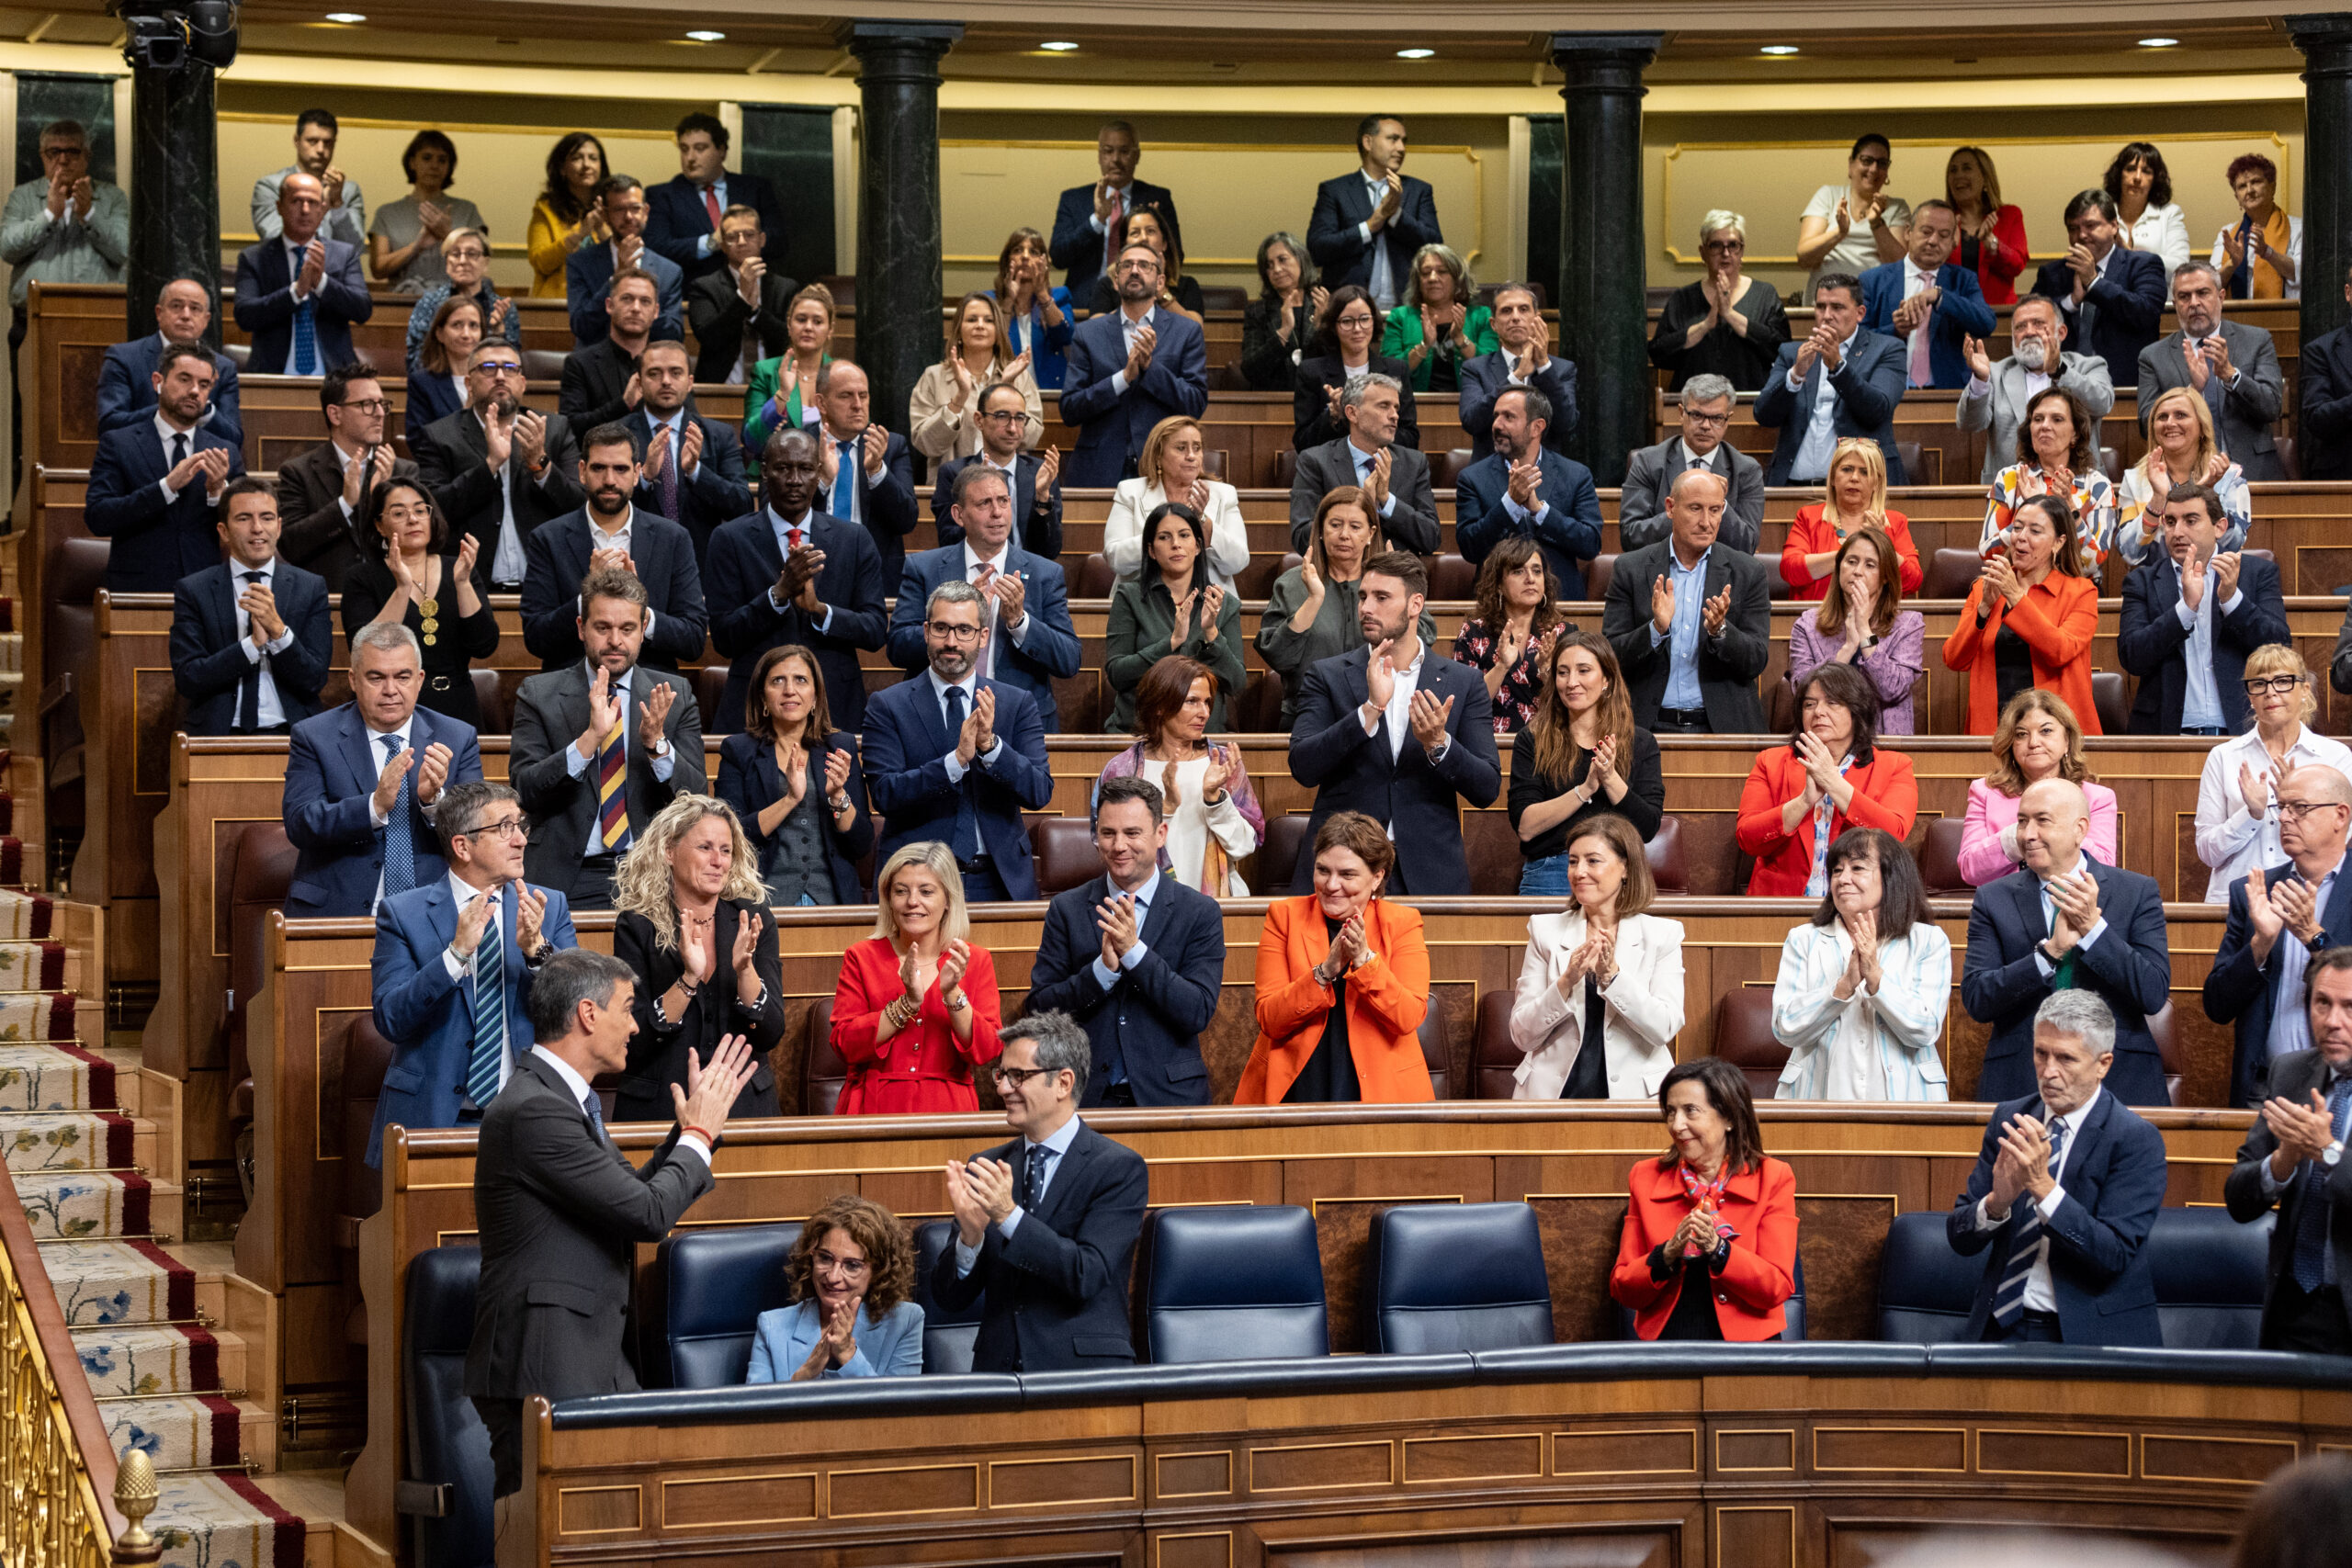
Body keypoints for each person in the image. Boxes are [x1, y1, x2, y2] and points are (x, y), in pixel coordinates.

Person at [463, 951, 752, 1497]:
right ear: (588, 1014)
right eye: (628, 1008)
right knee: (544, 1538)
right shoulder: (535, 1109)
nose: (637, 1026)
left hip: (587, 1357)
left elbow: (632, 1197)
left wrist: (687, 1128)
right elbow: (648, 1215)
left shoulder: (564, 1103)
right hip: (546, 1363)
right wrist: (699, 1139)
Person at [932, 1010, 1150, 1371]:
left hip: (1082, 1374)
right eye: (1002, 1074)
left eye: (1018, 1076)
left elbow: (1086, 1274)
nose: (1002, 1088)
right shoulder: (988, 1166)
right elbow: (949, 1300)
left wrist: (1008, 1217)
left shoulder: (1117, 1168)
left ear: (1063, 1083)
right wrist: (969, 1240)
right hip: (998, 1373)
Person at [1946, 990, 2167, 1345]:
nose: (2049, 1072)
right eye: (2040, 1054)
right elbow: (1959, 1238)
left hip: (2089, 1337)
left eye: (2065, 1058)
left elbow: (2112, 1255)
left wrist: (2042, 1187)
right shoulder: (2010, 1119)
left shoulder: (2135, 1139)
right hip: (2000, 1327)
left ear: (2103, 1064)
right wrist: (1996, 1205)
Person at [1286, 553, 1499, 895]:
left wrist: (1438, 744)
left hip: (1428, 869)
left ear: (1415, 604)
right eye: (1363, 596)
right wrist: (1369, 710)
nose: (1366, 608)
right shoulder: (1326, 675)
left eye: (1381, 597)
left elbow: (1487, 788)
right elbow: (1303, 766)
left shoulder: (1464, 682)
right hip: (1342, 869)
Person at [1961, 778, 2172, 1105]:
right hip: (2021, 1080)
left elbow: (2153, 992)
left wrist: (2093, 930)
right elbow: (1978, 998)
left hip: (2120, 1079)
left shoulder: (2135, 891)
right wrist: (2049, 953)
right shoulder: (1993, 899)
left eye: (2042, 821)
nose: (2027, 835)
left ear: (2080, 829)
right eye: (2022, 821)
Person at [507, 568, 707, 910]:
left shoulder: (674, 695)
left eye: (627, 629)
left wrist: (657, 745)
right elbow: (525, 789)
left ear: (643, 629)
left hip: (649, 872)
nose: (615, 641)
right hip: (567, 875)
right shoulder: (538, 694)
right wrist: (590, 739)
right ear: (581, 628)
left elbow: (697, 797)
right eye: (603, 628)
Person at [1025, 774, 1227, 1106]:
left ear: (1160, 834)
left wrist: (1135, 954)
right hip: (1083, 1095)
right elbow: (1039, 1009)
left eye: (1132, 833)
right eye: (1108, 833)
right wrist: (1101, 973)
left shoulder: (1200, 912)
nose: (1119, 846)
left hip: (1169, 1097)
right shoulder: (1067, 909)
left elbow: (1196, 1011)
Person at [863, 581, 1054, 902]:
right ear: (925, 631)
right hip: (919, 883)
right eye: (941, 628)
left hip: (998, 880)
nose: (951, 641)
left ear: (982, 636)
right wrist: (955, 762)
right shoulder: (888, 705)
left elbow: (1039, 791)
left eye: (964, 630)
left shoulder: (1015, 703)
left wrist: (991, 748)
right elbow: (884, 794)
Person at [282, 624, 482, 919]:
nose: (390, 690)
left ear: (420, 679)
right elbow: (300, 824)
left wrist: (433, 803)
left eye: (403, 677)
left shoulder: (456, 737)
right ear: (353, 680)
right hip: (337, 910)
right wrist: (373, 806)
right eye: (376, 678)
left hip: (429, 913)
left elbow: (476, 834)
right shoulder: (314, 736)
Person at [1237, 811, 1432, 1103]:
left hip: (1381, 1090)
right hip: (1298, 1084)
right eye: (1323, 870)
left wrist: (1365, 961)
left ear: (1377, 877)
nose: (1330, 884)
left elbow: (1407, 1017)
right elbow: (1270, 1018)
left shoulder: (1403, 923)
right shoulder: (1285, 917)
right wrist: (1324, 972)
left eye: (1347, 874)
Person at [610, 795, 784, 1121]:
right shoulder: (637, 925)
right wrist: (689, 978)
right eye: (705, 847)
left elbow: (771, 1032)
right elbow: (633, 1039)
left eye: (726, 850)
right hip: (661, 1106)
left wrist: (745, 971)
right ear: (669, 851)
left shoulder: (754, 919)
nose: (718, 861)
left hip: (744, 1106)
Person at [707, 427, 888, 738]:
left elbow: (874, 630)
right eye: (782, 468)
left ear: (818, 473)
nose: (794, 480)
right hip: (753, 710)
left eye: (804, 469)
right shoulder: (729, 539)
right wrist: (777, 595)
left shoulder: (854, 539)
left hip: (835, 707)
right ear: (764, 472)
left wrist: (820, 611)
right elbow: (723, 637)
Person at [1609, 1057, 1798, 1340]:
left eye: (1690, 1111)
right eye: (1671, 1112)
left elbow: (1777, 1287)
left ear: (1730, 1118)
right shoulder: (1645, 1177)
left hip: (1750, 1349)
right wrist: (1666, 1255)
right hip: (1668, 1345)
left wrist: (1720, 1250)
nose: (1677, 1125)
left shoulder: (1773, 1177)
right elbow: (1623, 1287)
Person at [2223, 947, 2352, 1353]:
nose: (2333, 1022)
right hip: (2293, 1309)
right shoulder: (2291, 1071)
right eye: (2322, 1003)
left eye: (2350, 1007)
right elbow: (2238, 1199)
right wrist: (2283, 1161)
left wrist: (2328, 1153)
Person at [889, 465, 1080, 735]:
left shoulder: (1044, 574)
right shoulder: (924, 568)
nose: (997, 512)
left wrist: (1019, 622)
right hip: (938, 718)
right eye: (984, 503)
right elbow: (898, 647)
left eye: (1003, 501)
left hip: (1018, 723)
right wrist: (957, 616)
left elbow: (1069, 660)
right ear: (959, 515)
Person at [2206, 765, 2352, 1110]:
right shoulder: (2253, 892)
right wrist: (2260, 945)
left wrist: (2313, 937)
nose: (2284, 818)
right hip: (2265, 1089)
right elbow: (2217, 1005)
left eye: (2299, 808)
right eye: (2281, 807)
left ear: (2340, 816)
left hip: (2345, 1087)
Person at [1509, 814, 1683, 1100]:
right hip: (1551, 1094)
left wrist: (1612, 978)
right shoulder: (1545, 931)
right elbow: (1522, 1035)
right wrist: (1566, 982)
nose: (1579, 872)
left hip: (1635, 1097)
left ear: (1625, 867)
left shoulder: (1663, 935)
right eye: (1573, 861)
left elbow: (1663, 1028)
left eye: (1593, 861)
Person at [1772, 825, 1951, 1100]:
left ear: (1891, 877)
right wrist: (1841, 989)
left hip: (1908, 1101)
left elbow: (1925, 1029)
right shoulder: (1803, 940)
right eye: (1836, 870)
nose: (1843, 879)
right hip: (1815, 1098)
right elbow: (1785, 1027)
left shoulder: (1928, 941)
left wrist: (1876, 978)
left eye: (1857, 868)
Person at [519, 423, 707, 672]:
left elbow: (694, 640)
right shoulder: (547, 539)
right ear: (583, 471)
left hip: (651, 691)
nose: (609, 480)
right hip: (571, 691)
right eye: (599, 468)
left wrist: (640, 614)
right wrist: (587, 597)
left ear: (636, 472)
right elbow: (536, 638)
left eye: (620, 469)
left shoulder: (673, 538)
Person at [833, 841, 1002, 1113]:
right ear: (888, 898)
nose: (913, 902)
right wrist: (906, 1004)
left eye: (926, 892)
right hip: (872, 1108)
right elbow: (845, 1044)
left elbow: (987, 1049)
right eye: (901, 891)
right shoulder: (861, 956)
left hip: (948, 1109)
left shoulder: (974, 959)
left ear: (948, 899)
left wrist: (953, 995)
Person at [1600, 470, 1771, 736]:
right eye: (1695, 509)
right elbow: (1610, 655)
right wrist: (1655, 630)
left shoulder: (1747, 572)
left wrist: (1721, 631)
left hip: (1724, 729)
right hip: (1644, 727)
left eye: (1715, 510)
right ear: (1670, 508)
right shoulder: (1630, 569)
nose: (1707, 522)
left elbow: (1757, 660)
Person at [2117, 482, 2290, 737]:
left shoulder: (2255, 573)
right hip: (2166, 733)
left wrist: (2232, 600)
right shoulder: (2141, 581)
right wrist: (2185, 610)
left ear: (2219, 527)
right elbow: (2132, 657)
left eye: (2191, 520)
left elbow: (2280, 648)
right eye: (2171, 522)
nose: (2178, 532)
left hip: (2242, 730)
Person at [412, 343, 585, 592]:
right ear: (469, 383)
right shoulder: (440, 435)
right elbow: (433, 512)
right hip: (471, 586)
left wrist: (541, 465)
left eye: (510, 368)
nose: (501, 376)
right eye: (488, 368)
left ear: (523, 383)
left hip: (544, 583)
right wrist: (490, 465)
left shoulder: (554, 430)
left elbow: (579, 505)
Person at [1736, 664, 1919, 897]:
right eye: (1809, 704)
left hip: (1861, 904)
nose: (1818, 712)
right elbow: (1748, 838)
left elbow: (1892, 835)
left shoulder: (1894, 766)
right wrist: (1803, 802)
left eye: (1832, 703)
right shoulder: (1770, 762)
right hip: (1781, 905)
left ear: (1857, 710)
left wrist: (1832, 781)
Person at [170, 478, 332, 737]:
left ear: (279, 527)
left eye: (267, 518)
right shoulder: (194, 590)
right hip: (219, 733)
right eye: (244, 518)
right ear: (223, 531)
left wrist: (279, 632)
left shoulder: (310, 587)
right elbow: (189, 678)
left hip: (292, 733)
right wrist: (251, 647)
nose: (257, 528)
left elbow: (314, 679)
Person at [713, 643, 873, 904]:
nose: (790, 690)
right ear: (763, 697)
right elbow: (729, 835)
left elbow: (862, 844)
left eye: (800, 680)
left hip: (833, 898)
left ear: (815, 696)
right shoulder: (738, 751)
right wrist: (789, 800)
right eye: (778, 680)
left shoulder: (840, 747)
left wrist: (837, 797)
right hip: (761, 897)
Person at [1509, 629, 1666, 891]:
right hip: (1552, 868)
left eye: (1583, 671)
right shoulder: (1532, 740)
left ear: (1606, 679)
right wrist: (1585, 790)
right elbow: (1526, 827)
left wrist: (1609, 778)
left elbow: (1647, 827)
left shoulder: (1640, 742)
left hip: (1618, 868)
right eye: (1563, 672)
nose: (1571, 682)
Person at [1093, 658, 1265, 896]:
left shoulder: (1223, 763)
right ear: (1160, 705)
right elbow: (1107, 846)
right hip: (1143, 903)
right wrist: (1166, 809)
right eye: (1192, 701)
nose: (1204, 712)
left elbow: (1244, 846)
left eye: (1207, 702)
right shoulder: (1121, 769)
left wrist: (1215, 800)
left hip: (1216, 902)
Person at [84, 344, 243, 593]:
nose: (194, 391)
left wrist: (217, 492)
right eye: (184, 379)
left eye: (203, 385)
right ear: (158, 381)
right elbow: (98, 518)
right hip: (137, 592)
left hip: (205, 593)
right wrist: (165, 488)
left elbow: (243, 531)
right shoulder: (119, 443)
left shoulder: (226, 451)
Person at [2197, 646, 2352, 904]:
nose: (2270, 692)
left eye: (2282, 681)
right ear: (2250, 696)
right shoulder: (2224, 756)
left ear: (2304, 690)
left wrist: (2297, 806)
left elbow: (2343, 840)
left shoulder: (2335, 756)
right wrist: (2251, 814)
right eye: (2259, 684)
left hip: (2308, 898)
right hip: (2235, 901)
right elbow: (2207, 852)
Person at [342, 479, 497, 730]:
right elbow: (364, 647)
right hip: (390, 706)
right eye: (399, 513)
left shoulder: (458, 568)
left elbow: (484, 645)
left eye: (420, 510)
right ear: (379, 525)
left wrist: (462, 583)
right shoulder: (362, 577)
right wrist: (402, 588)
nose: (412, 519)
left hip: (457, 706)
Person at [1941, 494, 2101, 737]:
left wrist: (2016, 597)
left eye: (2035, 531)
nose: (2021, 537)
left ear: (2058, 543)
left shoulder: (2080, 592)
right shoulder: (1985, 588)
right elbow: (1954, 659)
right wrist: (1984, 608)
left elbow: (2060, 650)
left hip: (2057, 736)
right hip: (1995, 734)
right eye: (2017, 528)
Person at [1060, 242, 1210, 490]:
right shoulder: (1089, 333)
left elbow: (1195, 402)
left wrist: (1150, 368)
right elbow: (1070, 408)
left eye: (1145, 265)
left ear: (1160, 282)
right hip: (1099, 468)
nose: (1135, 270)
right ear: (1116, 280)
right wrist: (1123, 378)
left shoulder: (1186, 331)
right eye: (1127, 265)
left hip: (1162, 468)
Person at [747, 1195, 925, 1382]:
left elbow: (900, 1408)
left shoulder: (905, 1321)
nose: (833, 1277)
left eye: (852, 1265)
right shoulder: (772, 1326)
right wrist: (805, 1374)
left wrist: (848, 1354)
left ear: (879, 1270)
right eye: (825, 1258)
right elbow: (753, 1409)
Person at [2138, 261, 2288, 481]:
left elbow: (2272, 407)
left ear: (2221, 296)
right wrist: (2192, 391)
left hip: (2252, 473)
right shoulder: (2153, 356)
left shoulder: (2256, 340)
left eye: (2202, 293)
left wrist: (2231, 376)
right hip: (2184, 480)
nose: (2194, 303)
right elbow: (2145, 424)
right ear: (2175, 303)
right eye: (2184, 296)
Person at [1754, 271, 1907, 485]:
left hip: (1861, 490)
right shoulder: (1792, 354)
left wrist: (1838, 367)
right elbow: (1764, 415)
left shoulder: (1887, 349)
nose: (1826, 315)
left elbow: (1877, 410)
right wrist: (1796, 375)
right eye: (1820, 307)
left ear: (1860, 313)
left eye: (1837, 307)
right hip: (1794, 487)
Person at [1958, 690, 2120, 887]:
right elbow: (1969, 869)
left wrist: (2054, 830)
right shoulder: (1984, 791)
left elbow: (2103, 868)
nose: (2034, 743)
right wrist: (2018, 836)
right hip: (2005, 903)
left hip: (2071, 900)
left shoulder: (2098, 798)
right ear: (2011, 744)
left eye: (2046, 731)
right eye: (2021, 734)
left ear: (2067, 741)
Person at [1103, 506, 1244, 735]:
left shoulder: (1223, 603)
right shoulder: (1129, 597)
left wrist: (1211, 634)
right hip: (1140, 733)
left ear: (1198, 546)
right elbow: (1118, 674)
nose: (1176, 544)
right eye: (1164, 537)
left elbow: (1236, 683)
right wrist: (1171, 642)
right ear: (1151, 550)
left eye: (1184, 535)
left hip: (1205, 734)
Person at [1957, 292, 2115, 488]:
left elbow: (2102, 404)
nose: (2029, 332)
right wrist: (1980, 380)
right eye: (2020, 327)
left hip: (2078, 487)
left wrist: (2060, 371)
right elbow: (1969, 424)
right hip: (2011, 491)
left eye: (2038, 324)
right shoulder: (1995, 373)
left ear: (2062, 332)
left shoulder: (2088, 367)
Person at [1453, 386, 1600, 593]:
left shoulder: (1575, 474)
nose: (1496, 424)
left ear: (1536, 427)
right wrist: (1509, 505)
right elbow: (1470, 548)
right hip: (1497, 603)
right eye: (1496, 416)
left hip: (1561, 601)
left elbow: (1591, 544)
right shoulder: (1472, 478)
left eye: (1508, 417)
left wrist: (1541, 512)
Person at [626, 338, 754, 569]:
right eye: (654, 373)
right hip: (635, 560)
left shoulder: (718, 435)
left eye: (676, 373)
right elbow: (604, 503)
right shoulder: (618, 435)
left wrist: (696, 472)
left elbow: (742, 505)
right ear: (639, 383)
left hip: (700, 562)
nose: (666, 381)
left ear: (690, 382)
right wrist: (644, 477)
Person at [1787, 526, 1926, 735]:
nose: (1858, 571)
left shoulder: (1908, 625)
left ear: (1886, 576)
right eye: (1851, 561)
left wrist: (1864, 632)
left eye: (1870, 565)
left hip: (1883, 744)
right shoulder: (1807, 625)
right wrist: (1847, 649)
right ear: (1839, 567)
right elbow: (1803, 693)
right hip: (1823, 743)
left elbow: (1893, 690)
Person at [3, 117, 127, 344]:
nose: (63, 160)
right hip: (32, 319)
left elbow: (123, 250)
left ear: (86, 157)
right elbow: (7, 249)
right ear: (42, 156)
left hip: (98, 319)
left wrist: (89, 213)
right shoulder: (22, 196)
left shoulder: (113, 198)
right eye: (54, 152)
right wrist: (49, 215)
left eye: (72, 152)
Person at [233, 172, 372, 375]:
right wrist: (296, 292)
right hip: (272, 376)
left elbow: (362, 310)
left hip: (336, 378)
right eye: (296, 201)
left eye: (313, 202)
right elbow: (245, 316)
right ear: (279, 207)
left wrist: (322, 283)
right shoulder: (254, 258)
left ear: (323, 209)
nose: (305, 210)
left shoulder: (344, 254)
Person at [2031, 189, 2168, 391]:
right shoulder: (2053, 273)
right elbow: (2031, 319)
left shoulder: (2143, 264)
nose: (2081, 235)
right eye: (2073, 228)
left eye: (2090, 225)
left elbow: (2145, 312)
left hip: (2125, 384)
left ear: (2114, 226)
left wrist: (2094, 283)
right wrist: (2070, 302)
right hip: (2061, 387)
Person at [1286, 374, 1439, 555]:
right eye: (1384, 406)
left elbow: (1431, 538)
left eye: (1396, 408)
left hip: (1396, 578)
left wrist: (1386, 501)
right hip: (1336, 579)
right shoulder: (1316, 461)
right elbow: (1302, 537)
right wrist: (1359, 506)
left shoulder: (1414, 463)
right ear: (1352, 413)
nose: (1394, 416)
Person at [1977, 387, 2120, 571]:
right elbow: (1988, 553)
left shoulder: (2098, 486)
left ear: (2075, 433)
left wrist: (2070, 509)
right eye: (2038, 419)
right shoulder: (2010, 479)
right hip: (2017, 586)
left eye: (2057, 419)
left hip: (2074, 590)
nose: (2045, 425)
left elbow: (2092, 563)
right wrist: (2033, 513)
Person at [1306, 115, 1442, 310]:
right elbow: (1318, 249)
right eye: (1393, 139)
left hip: (1407, 308)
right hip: (1349, 309)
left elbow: (1436, 247)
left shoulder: (1419, 190)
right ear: (1368, 142)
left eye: (1404, 141)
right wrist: (1369, 227)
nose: (1401, 148)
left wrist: (1395, 216)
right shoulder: (1335, 190)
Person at [1620, 374, 1767, 553]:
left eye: (1716, 418)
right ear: (1682, 413)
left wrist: (1720, 504)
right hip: (1659, 569)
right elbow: (1631, 536)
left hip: (1720, 573)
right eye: (1697, 415)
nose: (1706, 425)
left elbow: (1747, 545)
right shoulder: (1647, 462)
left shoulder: (1746, 470)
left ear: (1728, 420)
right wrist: (1682, 510)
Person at [1859, 200, 1996, 389]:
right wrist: (1895, 331)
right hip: (1885, 392)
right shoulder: (1873, 280)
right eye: (1926, 231)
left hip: (1946, 392)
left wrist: (1940, 297)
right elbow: (1855, 341)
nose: (1933, 241)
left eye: (1943, 235)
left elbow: (1986, 323)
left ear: (1952, 242)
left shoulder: (1963, 280)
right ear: (1908, 232)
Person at [1646, 209, 1789, 391]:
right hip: (1695, 408)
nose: (1726, 253)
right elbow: (1659, 353)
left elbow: (1781, 351)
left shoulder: (1765, 295)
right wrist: (1705, 325)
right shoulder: (1683, 298)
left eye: (1733, 245)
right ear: (1703, 252)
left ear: (1742, 250)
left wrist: (1730, 315)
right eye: (1716, 246)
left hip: (1749, 404)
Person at [645, 112, 788, 287]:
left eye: (700, 148)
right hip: (692, 296)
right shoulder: (662, 195)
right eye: (684, 149)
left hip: (755, 290)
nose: (690, 158)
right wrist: (711, 243)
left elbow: (779, 241)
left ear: (721, 151)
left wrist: (742, 241)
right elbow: (656, 249)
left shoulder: (755, 189)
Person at [807, 360, 919, 583]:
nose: (858, 405)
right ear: (821, 403)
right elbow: (779, 513)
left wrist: (877, 472)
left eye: (864, 396)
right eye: (846, 395)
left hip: (874, 573)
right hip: (813, 567)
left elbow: (907, 520)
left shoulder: (891, 446)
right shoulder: (801, 446)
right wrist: (822, 481)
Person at [96, 275, 242, 446]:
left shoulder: (224, 368)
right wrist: (170, 408)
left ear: (206, 320)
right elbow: (109, 424)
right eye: (177, 306)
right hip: (139, 461)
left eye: (195, 308)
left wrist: (205, 410)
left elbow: (234, 439)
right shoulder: (124, 357)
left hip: (199, 463)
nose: (186, 315)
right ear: (159, 313)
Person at [2118, 386, 2253, 567]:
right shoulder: (2135, 480)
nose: (2170, 423)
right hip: (2155, 586)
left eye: (2180, 415)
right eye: (2162, 417)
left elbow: (2234, 543)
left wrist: (2206, 494)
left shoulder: (2229, 477)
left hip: (2213, 582)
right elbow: (2128, 552)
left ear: (2202, 426)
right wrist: (2157, 501)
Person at [1104, 415, 1246, 584]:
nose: (1191, 456)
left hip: (1209, 600)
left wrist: (1203, 522)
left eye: (1197, 448)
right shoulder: (1130, 492)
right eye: (1181, 448)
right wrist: (1159, 536)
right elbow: (1115, 559)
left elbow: (1238, 562)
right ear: (1158, 456)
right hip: (1142, 600)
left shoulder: (1224, 494)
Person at [932, 381, 1064, 561]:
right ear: (979, 420)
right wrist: (980, 492)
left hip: (1027, 577)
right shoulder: (955, 474)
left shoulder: (1040, 474)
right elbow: (949, 543)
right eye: (1002, 416)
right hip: (975, 575)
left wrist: (1041, 498)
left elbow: (1049, 551)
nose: (1012, 428)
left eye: (1019, 418)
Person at [1781, 437, 1923, 601]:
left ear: (1876, 482)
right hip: (1817, 621)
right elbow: (1790, 570)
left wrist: (1883, 545)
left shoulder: (1895, 521)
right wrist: (1850, 555)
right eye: (1847, 469)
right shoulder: (1809, 517)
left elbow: (1912, 581)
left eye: (1864, 472)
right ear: (1833, 478)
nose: (1854, 477)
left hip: (1876, 623)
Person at [1049, 119, 1181, 294]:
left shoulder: (1157, 198)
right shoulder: (1074, 199)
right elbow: (1058, 257)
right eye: (1108, 151)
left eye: (1124, 151)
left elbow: (1177, 257)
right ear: (1099, 156)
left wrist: (1154, 231)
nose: (1116, 159)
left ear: (1137, 156)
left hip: (1142, 296)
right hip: (1086, 301)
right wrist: (1097, 220)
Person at [909, 292, 1044, 463]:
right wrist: (959, 399)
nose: (980, 325)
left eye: (989, 320)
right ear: (958, 330)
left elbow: (1030, 439)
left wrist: (1007, 388)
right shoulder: (933, 377)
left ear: (998, 332)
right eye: (972, 319)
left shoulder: (1019, 377)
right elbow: (926, 444)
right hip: (952, 484)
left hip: (1005, 484)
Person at [1453, 539, 1565, 735]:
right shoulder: (1473, 633)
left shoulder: (1562, 632)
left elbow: (1572, 702)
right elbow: (1464, 703)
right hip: (1488, 743)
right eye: (1518, 571)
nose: (1530, 579)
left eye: (1537, 571)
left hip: (1547, 743)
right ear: (1498, 585)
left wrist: (1547, 669)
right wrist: (1502, 666)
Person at [1294, 286, 1421, 453]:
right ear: (1334, 326)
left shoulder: (1395, 370)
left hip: (1384, 465)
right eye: (1347, 321)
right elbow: (1303, 443)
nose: (1357, 329)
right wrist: (1332, 415)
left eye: (1364, 319)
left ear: (1374, 321)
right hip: (1332, 468)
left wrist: (1374, 430)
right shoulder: (1311, 371)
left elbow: (1411, 439)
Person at [1460, 284, 1577, 461]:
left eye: (1523, 309)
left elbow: (1566, 423)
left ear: (1537, 319)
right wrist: (1516, 377)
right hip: (1491, 473)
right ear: (1493, 324)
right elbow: (1472, 422)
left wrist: (1544, 365)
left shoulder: (1562, 370)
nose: (1515, 317)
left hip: (1545, 474)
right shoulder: (1475, 369)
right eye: (1506, 311)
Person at [565, 175, 684, 349]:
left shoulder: (669, 271)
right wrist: (617, 278)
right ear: (605, 215)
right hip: (596, 366)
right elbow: (581, 326)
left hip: (648, 365)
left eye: (635, 208)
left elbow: (673, 334)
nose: (628, 216)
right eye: (619, 209)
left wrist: (646, 308)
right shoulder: (580, 262)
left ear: (646, 212)